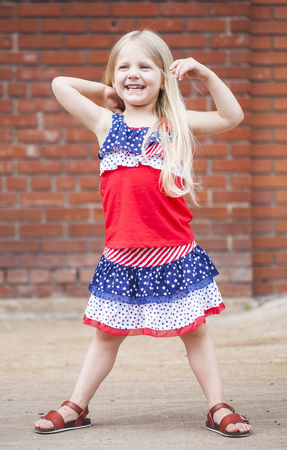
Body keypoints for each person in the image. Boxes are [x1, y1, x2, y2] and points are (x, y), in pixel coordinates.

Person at [34, 29, 252, 438]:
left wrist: (204, 75)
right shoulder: (106, 123)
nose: (133, 74)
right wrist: (107, 93)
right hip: (122, 257)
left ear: (164, 76)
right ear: (114, 75)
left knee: (195, 332)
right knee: (107, 336)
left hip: (173, 254)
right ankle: (77, 405)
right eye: (124, 67)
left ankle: (218, 406)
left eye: (145, 66)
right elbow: (59, 84)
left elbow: (231, 117)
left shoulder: (177, 125)